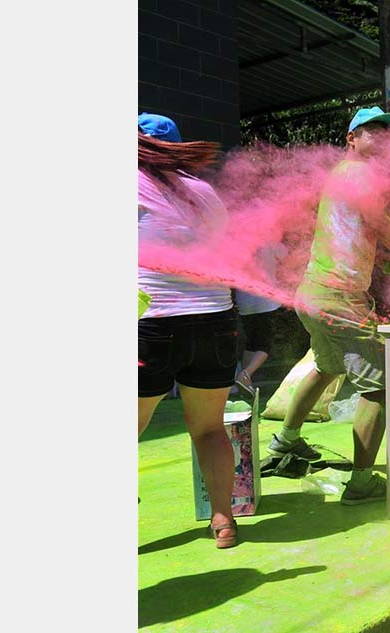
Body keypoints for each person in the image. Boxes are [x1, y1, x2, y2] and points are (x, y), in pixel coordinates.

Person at [268, 106, 390, 505]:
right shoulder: (359, 172)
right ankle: (362, 482)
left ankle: (285, 442)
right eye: (373, 130)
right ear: (351, 137)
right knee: (381, 385)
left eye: (387, 133)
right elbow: (377, 221)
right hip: (339, 298)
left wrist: (385, 262)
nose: (382, 138)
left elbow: (351, 232)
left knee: (326, 367)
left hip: (315, 293)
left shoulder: (342, 175)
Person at [137, 114, 240, 549]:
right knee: (210, 428)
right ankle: (224, 521)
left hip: (153, 323)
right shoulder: (205, 192)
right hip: (215, 320)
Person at [233, 288, 282, 396]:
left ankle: (245, 384)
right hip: (266, 302)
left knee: (251, 344)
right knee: (264, 345)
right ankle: (245, 375)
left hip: (244, 303)